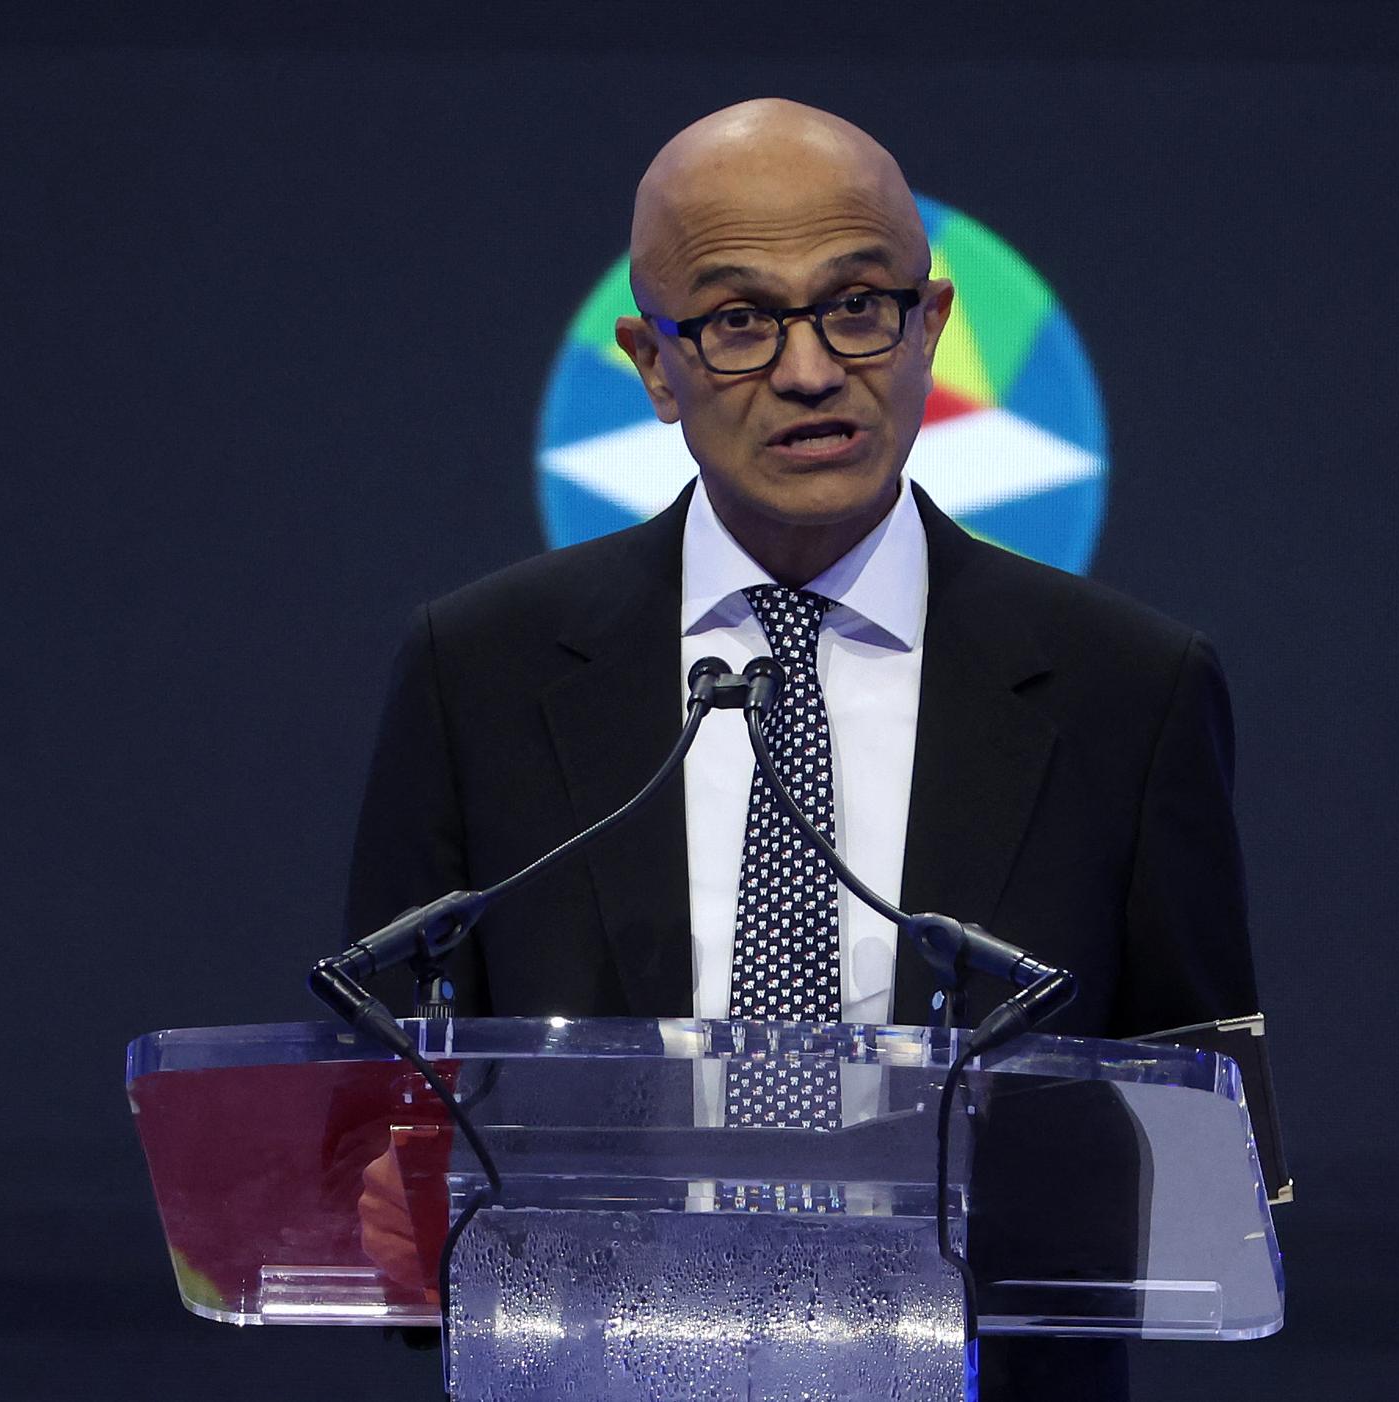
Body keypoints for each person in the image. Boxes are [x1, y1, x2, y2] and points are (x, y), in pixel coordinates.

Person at [346, 98, 1259, 1400]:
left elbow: (1200, 1145)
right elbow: (389, 1146)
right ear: (651, 366)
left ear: (930, 324)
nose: (813, 368)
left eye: (856, 306)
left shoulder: (1130, 691)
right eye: (737, 321)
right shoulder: (477, 674)